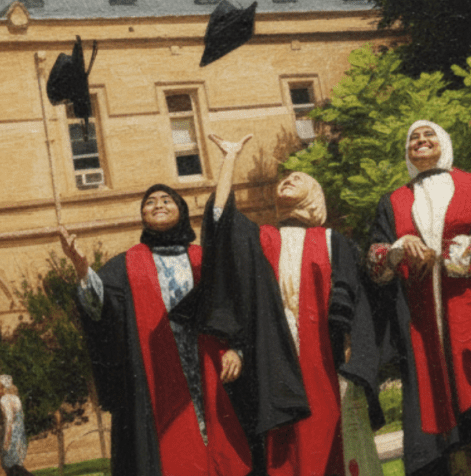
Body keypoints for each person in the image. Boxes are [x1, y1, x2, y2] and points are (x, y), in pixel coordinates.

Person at [59, 174, 306, 476]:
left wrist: (238, 350)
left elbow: (237, 307)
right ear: (142, 216)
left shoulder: (204, 260)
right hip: (158, 384)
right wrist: (83, 269)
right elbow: (99, 310)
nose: (157, 205)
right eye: (149, 202)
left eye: (166, 200)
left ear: (182, 210)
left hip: (212, 373)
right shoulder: (126, 266)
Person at [204, 132, 384, 476]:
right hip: (274, 358)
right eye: (284, 178)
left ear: (314, 196)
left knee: (332, 442)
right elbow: (221, 220)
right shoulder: (262, 238)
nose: (288, 179)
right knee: (283, 449)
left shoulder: (333, 241)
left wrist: (352, 355)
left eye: (298, 178)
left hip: (324, 358)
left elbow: (354, 307)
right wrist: (230, 159)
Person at [366, 120, 471, 476]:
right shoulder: (393, 201)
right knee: (432, 409)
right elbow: (374, 259)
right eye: (414, 138)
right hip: (421, 325)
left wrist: (465, 250)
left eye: (429, 135)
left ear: (444, 142)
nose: (421, 141)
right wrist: (399, 248)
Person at [0, 374, 31, 476]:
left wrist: (6, 441)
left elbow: (9, 420)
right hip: (20, 439)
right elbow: (21, 420)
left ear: (1, 387)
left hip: (10, 438)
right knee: (17, 468)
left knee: (11, 469)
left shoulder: (4, 400)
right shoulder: (16, 399)